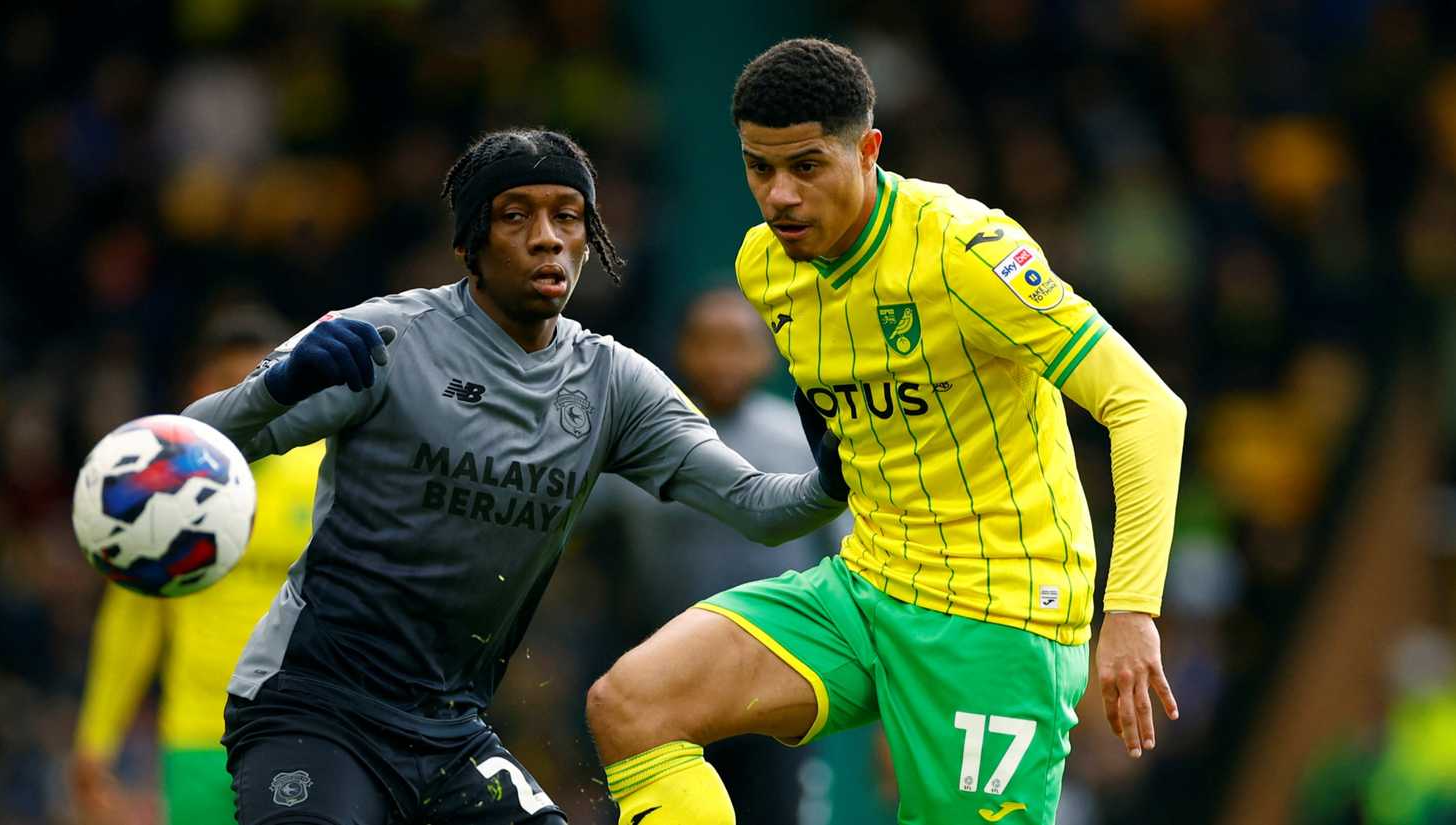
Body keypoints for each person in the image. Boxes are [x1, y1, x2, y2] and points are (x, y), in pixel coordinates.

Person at [585, 39, 1188, 825]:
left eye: (807, 166)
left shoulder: (966, 250)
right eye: (758, 168)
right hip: (867, 588)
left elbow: (1147, 406)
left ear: (868, 150)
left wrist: (1133, 609)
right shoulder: (766, 269)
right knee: (631, 704)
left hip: (997, 619)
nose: (779, 196)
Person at [181, 128, 849, 825]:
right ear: (471, 238)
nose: (547, 238)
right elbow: (191, 444)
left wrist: (831, 479)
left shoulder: (613, 382)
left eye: (567, 215)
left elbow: (759, 507)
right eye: (515, 216)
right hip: (314, 706)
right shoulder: (383, 338)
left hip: (448, 729)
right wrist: (277, 386)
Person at [582, 288, 852, 824]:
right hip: (664, 682)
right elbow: (568, 532)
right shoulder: (642, 442)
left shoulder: (800, 444)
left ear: (764, 355)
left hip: (774, 681)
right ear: (682, 350)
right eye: (707, 343)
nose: (721, 359)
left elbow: (850, 560)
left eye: (737, 344)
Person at [71, 308, 323, 825]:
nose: (250, 398)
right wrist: (95, 739)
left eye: (261, 379)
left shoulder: (324, 474)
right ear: (201, 385)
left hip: (306, 730)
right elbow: (132, 623)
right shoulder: (161, 486)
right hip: (197, 740)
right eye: (229, 383)